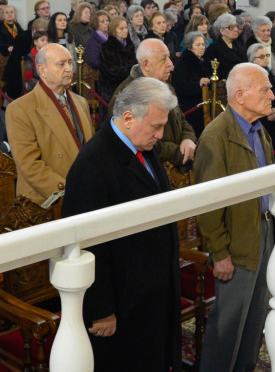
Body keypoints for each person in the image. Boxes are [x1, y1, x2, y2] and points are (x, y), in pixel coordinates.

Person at [62, 78, 182, 371]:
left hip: (151, 289)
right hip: (122, 302)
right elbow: (85, 244)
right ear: (128, 118)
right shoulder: (92, 163)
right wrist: (100, 309)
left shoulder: (143, 146)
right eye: (155, 126)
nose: (160, 135)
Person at [194, 63, 275, 372]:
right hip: (235, 242)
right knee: (227, 327)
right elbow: (208, 204)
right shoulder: (216, 136)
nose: (272, 95)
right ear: (240, 96)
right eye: (265, 89)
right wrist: (219, 252)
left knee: (255, 321)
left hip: (263, 231)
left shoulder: (259, 130)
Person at [7, 44, 94, 207]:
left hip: (86, 192)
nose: (69, 69)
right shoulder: (19, 109)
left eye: (70, 63)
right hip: (48, 201)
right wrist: (70, 191)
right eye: (61, 64)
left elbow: (90, 149)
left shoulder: (81, 102)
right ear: (43, 70)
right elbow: (29, 164)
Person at [111, 38, 197, 166]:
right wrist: (180, 153)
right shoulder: (128, 95)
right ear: (146, 64)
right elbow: (140, 142)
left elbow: (181, 120)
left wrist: (188, 139)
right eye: (163, 59)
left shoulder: (165, 87)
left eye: (169, 57)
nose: (171, 64)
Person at [173, 31, 212, 138]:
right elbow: (180, 86)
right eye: (198, 45)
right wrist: (198, 84)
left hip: (205, 101)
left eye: (203, 44)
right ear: (189, 47)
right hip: (191, 105)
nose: (202, 47)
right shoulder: (182, 63)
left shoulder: (205, 60)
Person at [98, 16, 135, 106]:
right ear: (114, 31)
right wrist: (130, 72)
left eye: (126, 28)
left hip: (129, 87)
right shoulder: (107, 47)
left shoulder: (130, 45)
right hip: (112, 89)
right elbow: (112, 71)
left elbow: (135, 64)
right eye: (121, 28)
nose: (125, 31)